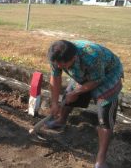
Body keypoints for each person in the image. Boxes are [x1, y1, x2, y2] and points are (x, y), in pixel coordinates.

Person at [47, 40, 123, 168]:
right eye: (57, 64)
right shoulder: (56, 56)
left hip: (108, 74)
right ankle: (61, 121)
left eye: (63, 65)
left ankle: (100, 159)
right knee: (67, 96)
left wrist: (77, 92)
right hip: (85, 73)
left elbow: (96, 80)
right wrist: (54, 102)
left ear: (74, 57)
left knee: (105, 114)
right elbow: (55, 77)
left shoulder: (92, 57)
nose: (59, 67)